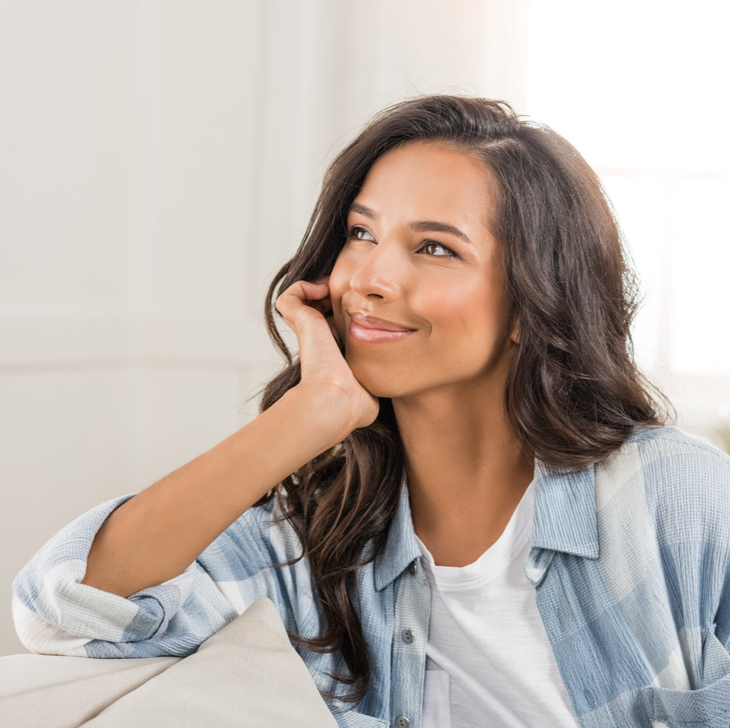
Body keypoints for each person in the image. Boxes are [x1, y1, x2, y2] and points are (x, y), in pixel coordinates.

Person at [12, 95, 730, 728]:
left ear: (530, 303)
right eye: (362, 234)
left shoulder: (676, 497)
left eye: (435, 248)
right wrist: (307, 414)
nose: (371, 279)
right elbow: (65, 610)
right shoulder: (315, 542)